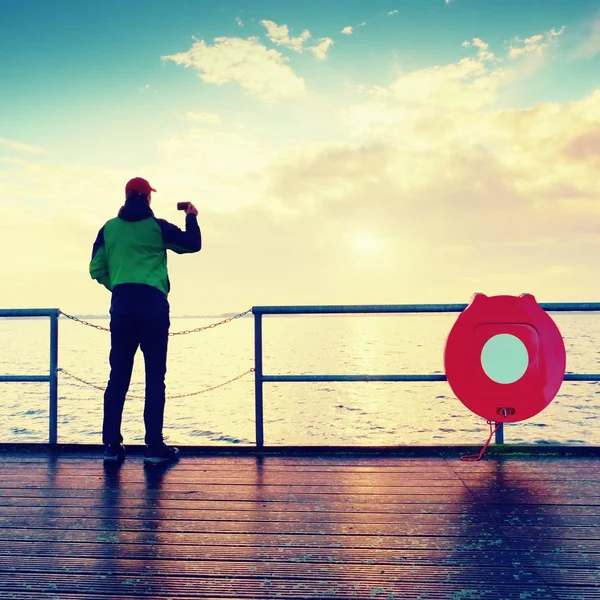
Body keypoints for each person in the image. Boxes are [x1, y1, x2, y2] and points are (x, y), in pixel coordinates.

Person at [89, 177, 201, 464]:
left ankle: (111, 446)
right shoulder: (157, 227)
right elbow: (192, 245)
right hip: (152, 305)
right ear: (148, 198)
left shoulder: (108, 229)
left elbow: (96, 268)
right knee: (154, 377)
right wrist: (191, 217)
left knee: (118, 377)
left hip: (123, 304)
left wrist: (117, 286)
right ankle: (153, 448)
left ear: (126, 196)